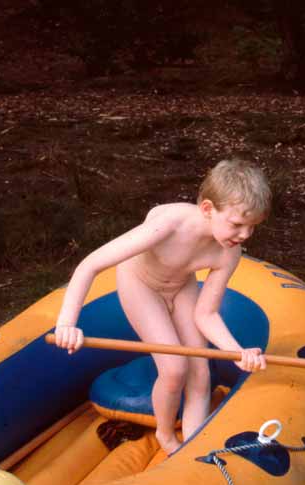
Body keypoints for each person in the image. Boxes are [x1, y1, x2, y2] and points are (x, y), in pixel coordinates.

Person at [54, 159, 271, 455]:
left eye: (252, 227)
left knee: (201, 372)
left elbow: (205, 314)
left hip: (181, 286)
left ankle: (193, 451)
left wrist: (237, 353)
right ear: (208, 209)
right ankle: (166, 435)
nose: (244, 235)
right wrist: (67, 324)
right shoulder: (168, 225)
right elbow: (89, 265)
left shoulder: (229, 253)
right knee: (174, 368)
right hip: (141, 285)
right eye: (237, 224)